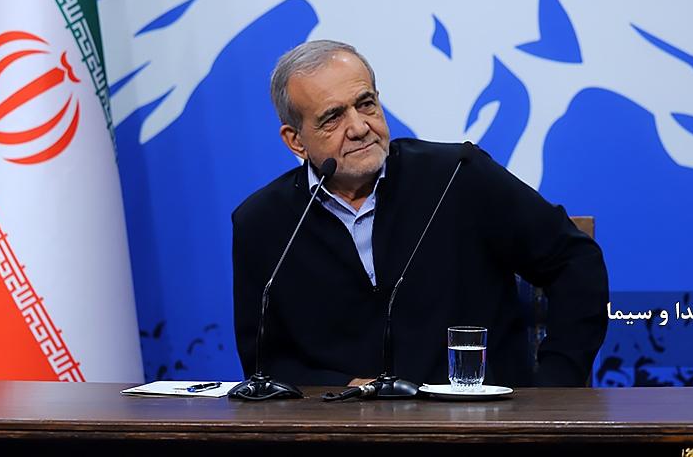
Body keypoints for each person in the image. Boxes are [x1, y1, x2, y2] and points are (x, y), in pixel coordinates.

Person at [232, 40, 609, 388]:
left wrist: (556, 384)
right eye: (333, 117)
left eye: (366, 104)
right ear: (295, 140)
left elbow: (575, 262)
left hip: (481, 424)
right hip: (343, 428)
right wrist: (343, 388)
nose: (360, 127)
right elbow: (266, 363)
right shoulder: (262, 223)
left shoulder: (458, 176)